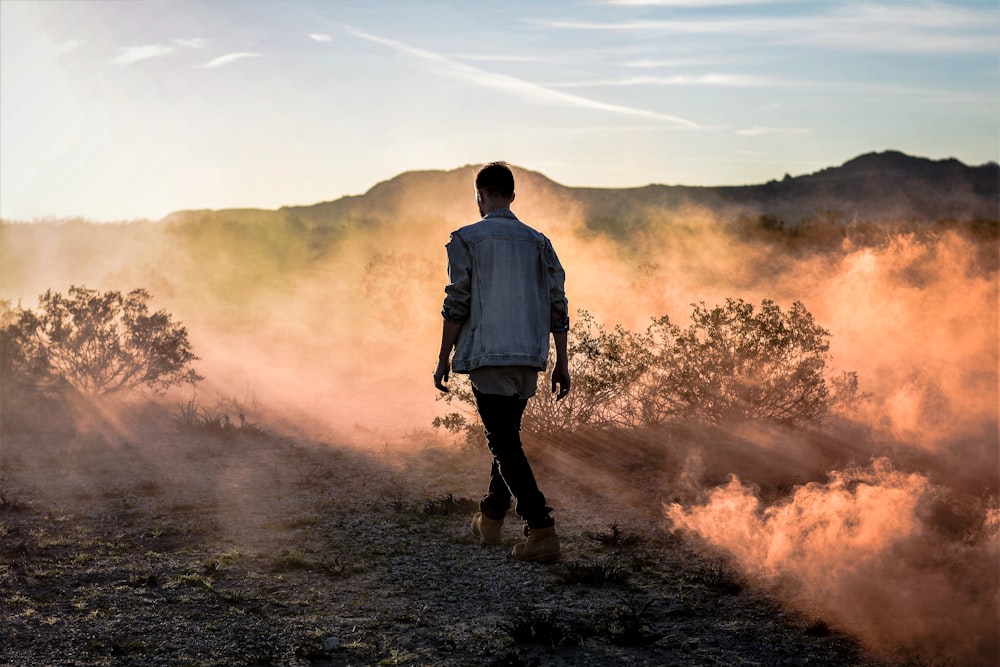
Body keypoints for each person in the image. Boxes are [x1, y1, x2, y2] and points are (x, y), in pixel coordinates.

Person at [433, 161, 570, 564]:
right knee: (507, 437)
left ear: (480, 196)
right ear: (512, 195)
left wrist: (443, 355)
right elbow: (558, 305)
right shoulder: (539, 241)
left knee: (503, 442)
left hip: (489, 353)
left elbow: (458, 302)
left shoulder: (467, 239)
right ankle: (490, 517)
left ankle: (541, 528)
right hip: (529, 355)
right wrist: (562, 362)